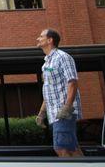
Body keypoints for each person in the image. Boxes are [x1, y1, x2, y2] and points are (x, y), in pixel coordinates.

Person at [36, 28, 83, 157]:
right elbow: (49, 90)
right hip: (54, 114)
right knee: (71, 148)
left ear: (50, 40)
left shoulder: (63, 57)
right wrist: (42, 113)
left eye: (41, 36)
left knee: (61, 148)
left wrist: (67, 107)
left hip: (63, 113)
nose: (38, 39)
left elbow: (72, 82)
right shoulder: (46, 64)